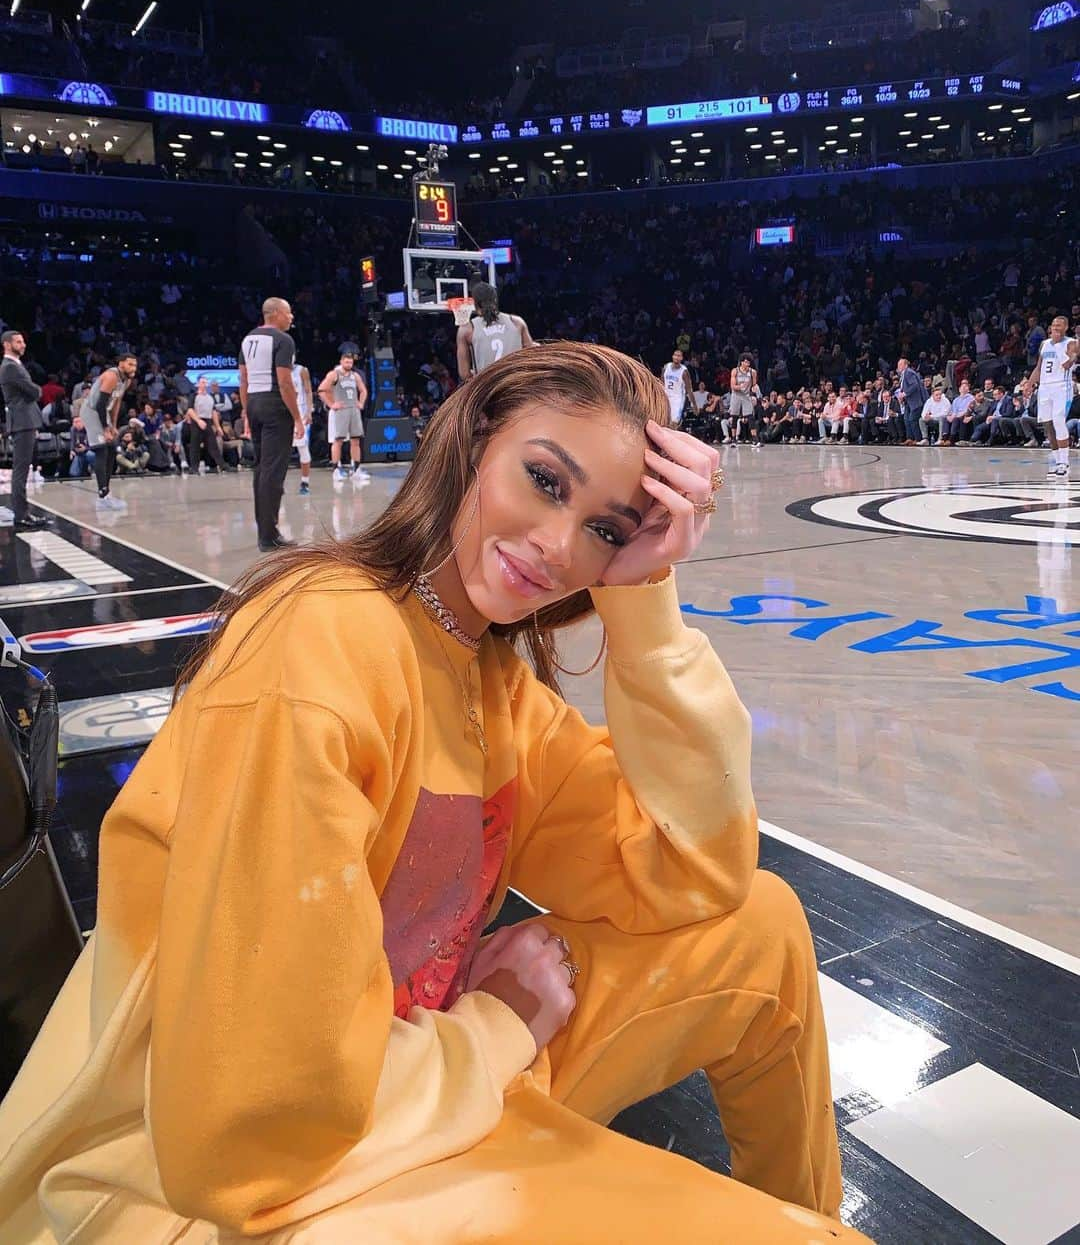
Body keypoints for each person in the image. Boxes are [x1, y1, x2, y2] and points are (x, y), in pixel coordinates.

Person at [0, 343, 867, 1245]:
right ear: (475, 438)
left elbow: (698, 870)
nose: (559, 545)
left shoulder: (490, 678)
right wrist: (499, 1028)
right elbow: (242, 1129)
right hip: (215, 1184)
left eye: (605, 530)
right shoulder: (315, 647)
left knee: (760, 924)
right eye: (544, 479)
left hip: (404, 1081)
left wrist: (646, 597)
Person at [238, 298, 304, 552]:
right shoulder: (283, 340)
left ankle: (264, 530)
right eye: (288, 313)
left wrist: (246, 411)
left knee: (261, 468)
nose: (291, 318)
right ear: (275, 313)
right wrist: (297, 417)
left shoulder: (248, 339)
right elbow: (285, 381)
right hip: (275, 404)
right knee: (273, 471)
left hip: (254, 402)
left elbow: (243, 379)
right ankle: (269, 536)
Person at [0, 329, 49, 529]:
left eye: (23, 341)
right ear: (7, 344)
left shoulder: (14, 365)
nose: (23, 345)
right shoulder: (10, 367)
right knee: (21, 470)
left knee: (22, 468)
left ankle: (23, 513)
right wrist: (37, 389)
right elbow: (33, 391)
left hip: (24, 420)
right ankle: (21, 514)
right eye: (18, 342)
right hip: (22, 421)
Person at [82, 351, 138, 512]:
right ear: (121, 364)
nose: (133, 367)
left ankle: (106, 493)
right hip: (92, 411)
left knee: (112, 449)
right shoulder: (111, 376)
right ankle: (102, 495)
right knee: (101, 450)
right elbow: (100, 404)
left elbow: (116, 402)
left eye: (135, 364)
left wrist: (113, 425)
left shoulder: (127, 380)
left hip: (104, 413)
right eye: (130, 364)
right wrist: (105, 428)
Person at [1026, 314, 1078, 479]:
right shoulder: (1044, 344)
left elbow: (1070, 362)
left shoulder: (1070, 343)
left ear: (1066, 328)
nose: (1055, 327)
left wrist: (1072, 358)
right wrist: (1029, 384)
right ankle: (1057, 462)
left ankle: (1064, 462)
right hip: (1045, 388)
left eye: (1059, 325)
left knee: (1058, 420)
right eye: (1054, 324)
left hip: (1062, 387)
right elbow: (1039, 367)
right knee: (1048, 425)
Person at [456, 280, 535, 380]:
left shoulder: (467, 329)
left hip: (489, 388)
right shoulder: (517, 322)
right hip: (515, 385)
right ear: (495, 300)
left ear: (475, 303)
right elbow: (532, 356)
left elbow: (464, 374)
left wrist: (478, 375)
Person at [318, 345, 370, 487]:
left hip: (354, 409)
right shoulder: (334, 374)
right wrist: (331, 404)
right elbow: (321, 390)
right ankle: (336, 469)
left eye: (351, 362)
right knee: (338, 440)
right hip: (341, 410)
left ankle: (356, 470)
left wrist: (361, 403)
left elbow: (363, 390)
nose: (349, 364)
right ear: (341, 361)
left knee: (355, 440)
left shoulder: (355, 375)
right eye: (346, 362)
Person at [185, 378, 226, 474]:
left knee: (213, 444)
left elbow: (214, 412)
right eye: (203, 382)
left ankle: (222, 465)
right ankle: (194, 468)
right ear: (198, 384)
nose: (204, 384)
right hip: (197, 421)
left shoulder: (210, 397)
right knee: (195, 445)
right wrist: (198, 421)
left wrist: (218, 426)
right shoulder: (194, 396)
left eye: (205, 382)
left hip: (207, 421)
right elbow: (190, 410)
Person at [291, 358, 314, 495]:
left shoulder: (302, 370)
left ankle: (305, 482)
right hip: (283, 412)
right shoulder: (278, 370)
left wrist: (309, 412)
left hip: (300, 412)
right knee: (281, 450)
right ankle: (278, 484)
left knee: (302, 447)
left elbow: (308, 391)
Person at [728, 354, 760, 448]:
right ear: (741, 362)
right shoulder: (735, 371)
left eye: (749, 362)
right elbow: (732, 386)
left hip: (746, 396)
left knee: (750, 416)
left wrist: (755, 388)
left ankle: (754, 439)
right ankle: (733, 439)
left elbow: (754, 384)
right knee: (734, 416)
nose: (748, 363)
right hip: (736, 395)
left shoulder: (752, 372)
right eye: (746, 361)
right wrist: (741, 386)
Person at [895, 357, 927, 445]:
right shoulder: (903, 374)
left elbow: (914, 385)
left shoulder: (908, 372)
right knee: (906, 419)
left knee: (913, 419)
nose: (898, 366)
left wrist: (905, 393)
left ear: (905, 365)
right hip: (908, 402)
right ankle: (910, 438)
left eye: (900, 364)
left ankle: (918, 439)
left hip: (916, 401)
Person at [660, 347, 693, 428]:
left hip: (677, 398)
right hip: (666, 396)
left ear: (681, 358)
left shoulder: (684, 371)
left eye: (679, 356)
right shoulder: (666, 367)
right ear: (672, 356)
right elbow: (662, 381)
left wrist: (693, 404)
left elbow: (689, 389)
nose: (676, 357)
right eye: (675, 355)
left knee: (674, 423)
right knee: (664, 421)